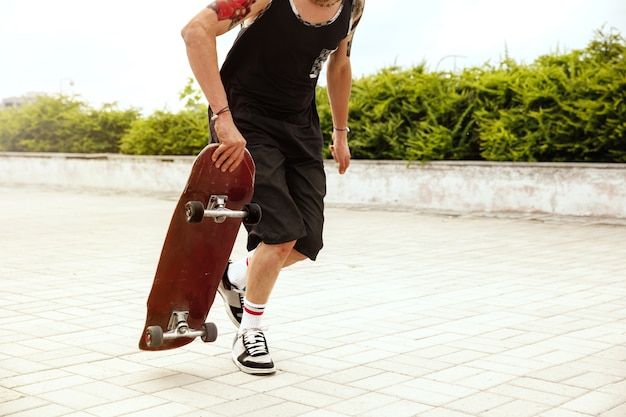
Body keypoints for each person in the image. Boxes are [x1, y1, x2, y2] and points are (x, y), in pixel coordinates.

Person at [182, 0, 365, 375]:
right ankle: (250, 333)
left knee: (306, 241)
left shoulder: (354, 6)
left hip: (299, 126)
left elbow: (340, 63)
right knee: (279, 235)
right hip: (246, 120)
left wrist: (341, 132)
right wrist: (222, 118)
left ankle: (233, 276)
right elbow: (195, 32)